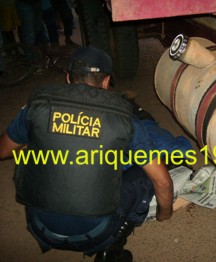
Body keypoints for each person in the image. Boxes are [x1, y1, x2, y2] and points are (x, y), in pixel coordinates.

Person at [0, 46, 174, 261]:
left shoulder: (36, 106)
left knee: (30, 154)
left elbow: (3, 151)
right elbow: (163, 182)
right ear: (106, 81)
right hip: (95, 233)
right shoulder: (125, 118)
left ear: (68, 78)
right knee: (146, 176)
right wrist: (164, 214)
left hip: (40, 225)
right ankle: (114, 243)